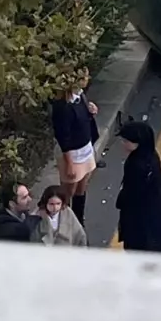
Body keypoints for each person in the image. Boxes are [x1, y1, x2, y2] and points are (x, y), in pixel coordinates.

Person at [115, 120, 161, 253]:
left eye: (126, 141)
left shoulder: (138, 165)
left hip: (140, 222)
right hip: (156, 218)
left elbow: (133, 193)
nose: (123, 144)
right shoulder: (151, 156)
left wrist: (121, 200)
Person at [50, 73, 99, 228]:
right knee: (67, 192)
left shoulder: (80, 96)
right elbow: (63, 136)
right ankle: (63, 223)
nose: (88, 78)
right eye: (84, 77)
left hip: (85, 148)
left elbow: (82, 121)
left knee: (82, 187)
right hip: (73, 154)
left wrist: (91, 112)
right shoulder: (62, 106)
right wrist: (69, 163)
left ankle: (78, 221)